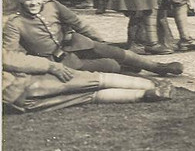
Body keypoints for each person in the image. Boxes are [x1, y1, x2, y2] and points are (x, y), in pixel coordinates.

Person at [4, 0, 184, 78]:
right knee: (110, 65)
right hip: (59, 60)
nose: (33, 3)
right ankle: (128, 70)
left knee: (115, 52)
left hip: (74, 43)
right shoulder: (15, 23)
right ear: (20, 0)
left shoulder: (53, 6)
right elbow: (11, 54)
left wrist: (100, 41)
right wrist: (40, 67)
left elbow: (78, 23)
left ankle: (158, 67)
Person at [3, 49, 174, 114]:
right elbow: (10, 59)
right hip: (25, 84)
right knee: (93, 80)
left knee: (87, 97)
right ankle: (152, 86)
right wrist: (51, 66)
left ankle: (145, 94)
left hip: (16, 102)